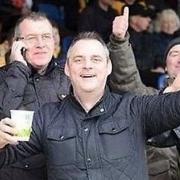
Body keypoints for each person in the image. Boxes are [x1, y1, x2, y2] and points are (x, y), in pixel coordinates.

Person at [2, 24, 180, 180]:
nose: (87, 65)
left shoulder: (134, 108)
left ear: (109, 66)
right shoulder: (45, 117)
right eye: (79, 60)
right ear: (67, 68)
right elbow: (7, 156)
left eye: (96, 59)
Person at [108, 11, 180, 180]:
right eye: (174, 54)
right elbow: (126, 80)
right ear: (165, 66)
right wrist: (119, 42)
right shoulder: (148, 98)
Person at [0, 12, 71, 180]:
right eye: (31, 38)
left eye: (46, 36)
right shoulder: (2, 78)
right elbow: (6, 117)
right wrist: (17, 68)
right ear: (17, 44)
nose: (41, 44)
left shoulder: (70, 77)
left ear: (54, 42)